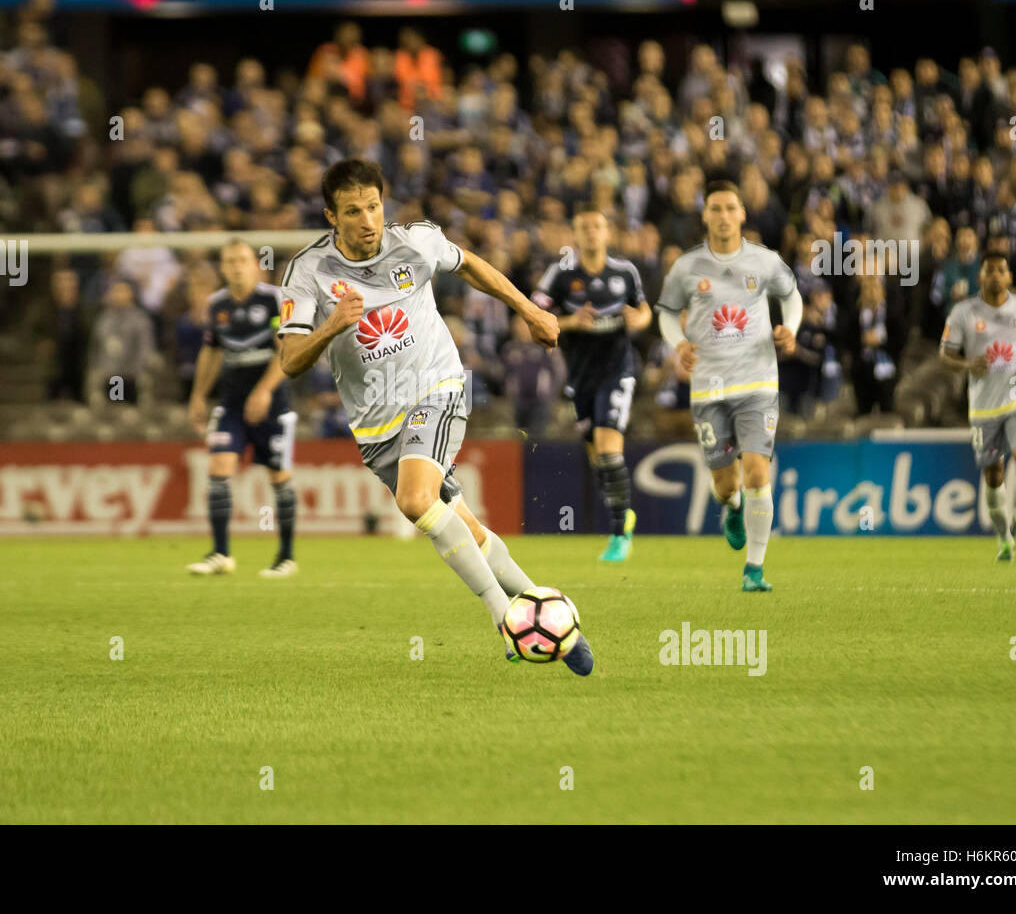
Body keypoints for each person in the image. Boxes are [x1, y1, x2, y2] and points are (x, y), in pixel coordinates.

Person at [276, 159, 593, 674]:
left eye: (374, 206)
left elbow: (469, 264)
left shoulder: (416, 242)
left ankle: (505, 621)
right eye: (353, 211)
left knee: (415, 499)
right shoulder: (307, 273)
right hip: (376, 424)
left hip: (436, 388)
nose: (367, 220)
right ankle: (547, 613)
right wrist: (331, 326)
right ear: (331, 215)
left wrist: (529, 310)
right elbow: (289, 361)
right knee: (462, 524)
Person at [655, 180, 801, 592]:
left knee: (757, 472)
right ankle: (732, 507)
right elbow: (666, 314)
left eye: (730, 208)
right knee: (726, 485)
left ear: (742, 214)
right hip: (708, 390)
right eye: (715, 209)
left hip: (757, 383)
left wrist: (790, 328)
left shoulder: (764, 260)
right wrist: (678, 342)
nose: (723, 216)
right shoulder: (686, 267)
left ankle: (754, 569)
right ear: (705, 215)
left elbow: (792, 298)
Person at [532, 207, 651, 562]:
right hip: (579, 377)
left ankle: (620, 531)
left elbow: (644, 310)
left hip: (617, 371)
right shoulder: (560, 274)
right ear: (576, 234)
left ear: (607, 232)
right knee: (599, 457)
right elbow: (533, 318)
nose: (591, 233)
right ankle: (621, 513)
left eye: (597, 226)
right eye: (584, 228)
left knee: (608, 446)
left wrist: (638, 320)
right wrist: (570, 322)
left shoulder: (625, 272)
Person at [186, 241, 298, 579]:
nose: (236, 266)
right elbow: (211, 353)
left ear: (255, 265)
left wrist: (263, 391)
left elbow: (288, 352)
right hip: (232, 403)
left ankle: (286, 556)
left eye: (243, 260)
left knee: (278, 477)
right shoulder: (216, 305)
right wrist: (198, 396)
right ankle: (221, 553)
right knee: (219, 468)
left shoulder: (273, 300)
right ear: (222, 267)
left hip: (273, 404)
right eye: (229, 261)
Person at [940, 251, 1016, 561]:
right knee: (994, 476)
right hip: (983, 407)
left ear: (1010, 276)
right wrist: (966, 365)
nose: (996, 275)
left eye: (1002, 270)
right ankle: (1003, 539)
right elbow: (944, 354)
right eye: (990, 270)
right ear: (980, 277)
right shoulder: (963, 313)